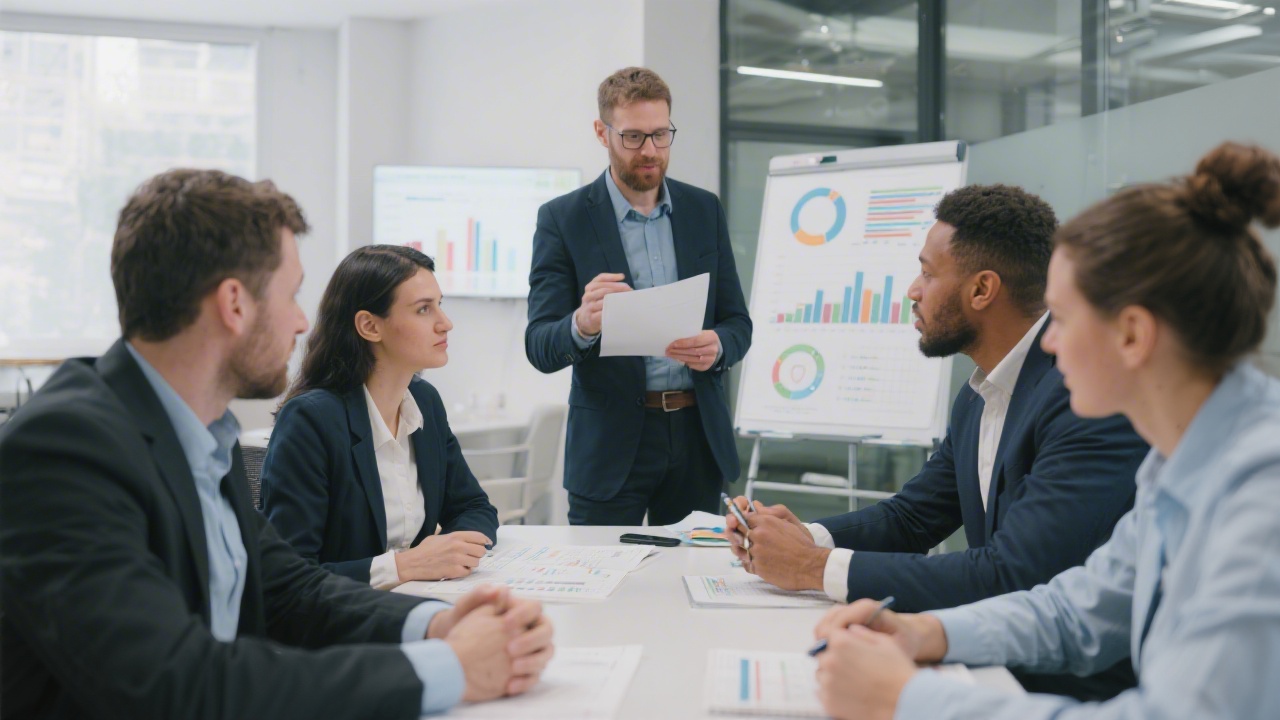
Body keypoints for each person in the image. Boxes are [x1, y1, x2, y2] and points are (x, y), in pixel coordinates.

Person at [0, 169, 553, 719]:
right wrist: (452, 669)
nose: (299, 321)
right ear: (234, 304)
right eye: (289, 295)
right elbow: (175, 682)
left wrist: (435, 624)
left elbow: (289, 590)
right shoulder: (65, 450)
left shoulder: (198, 435)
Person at [811, 142, 1280, 720]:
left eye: (1063, 317)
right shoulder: (1179, 457)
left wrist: (908, 699)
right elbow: (1080, 609)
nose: (1049, 342)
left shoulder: (1263, 493)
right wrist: (924, 631)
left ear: (1132, 335)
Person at [727, 184, 1148, 699]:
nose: (912, 290)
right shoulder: (981, 392)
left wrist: (813, 568)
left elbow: (1013, 574)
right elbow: (914, 517)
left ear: (982, 290)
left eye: (928, 273)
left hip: (1065, 691)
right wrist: (805, 538)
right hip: (994, 664)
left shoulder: (1082, 399)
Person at [525, 67, 752, 526]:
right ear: (601, 132)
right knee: (604, 586)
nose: (650, 151)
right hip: (610, 446)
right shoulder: (562, 219)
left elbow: (737, 322)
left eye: (660, 135)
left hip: (696, 438)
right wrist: (582, 323)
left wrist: (720, 345)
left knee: (689, 583)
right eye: (632, 137)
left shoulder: (703, 209)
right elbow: (539, 345)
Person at [261, 245, 498, 589]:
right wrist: (403, 567)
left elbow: (474, 506)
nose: (445, 323)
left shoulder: (425, 402)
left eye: (439, 305)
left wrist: (449, 552)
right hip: (335, 627)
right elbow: (288, 578)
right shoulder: (311, 420)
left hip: (413, 604)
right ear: (370, 326)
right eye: (423, 310)